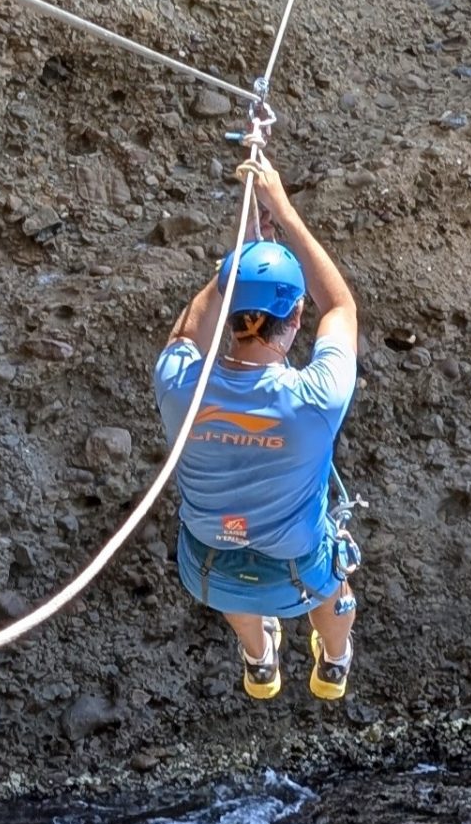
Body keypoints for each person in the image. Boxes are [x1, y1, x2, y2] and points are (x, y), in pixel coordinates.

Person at [153, 155, 361, 701]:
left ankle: (259, 660)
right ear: (294, 319)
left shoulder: (179, 386)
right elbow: (338, 304)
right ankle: (333, 663)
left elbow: (187, 332)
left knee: (228, 570)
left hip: (208, 565)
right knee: (333, 584)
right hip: (297, 571)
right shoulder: (315, 397)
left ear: (229, 314)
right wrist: (283, 211)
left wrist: (239, 261)